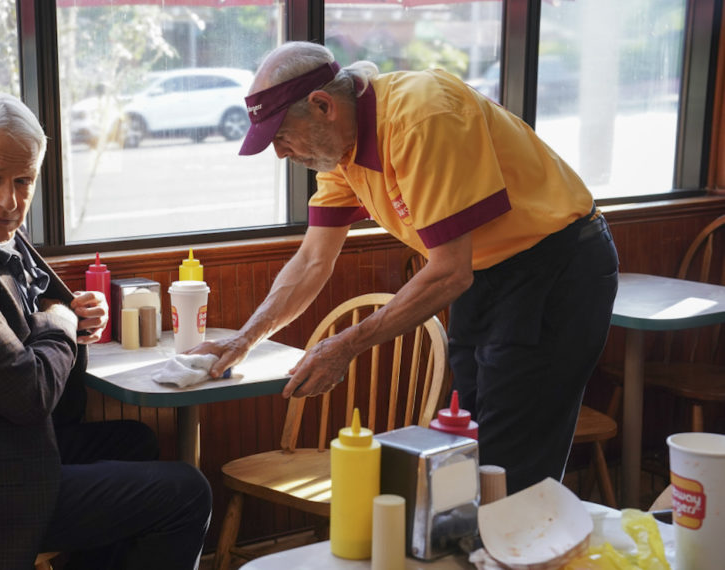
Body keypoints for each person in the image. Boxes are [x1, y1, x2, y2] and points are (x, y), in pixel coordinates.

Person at [193, 41, 619, 494]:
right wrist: (244, 339)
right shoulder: (342, 151)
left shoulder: (422, 116)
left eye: (282, 135)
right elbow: (313, 259)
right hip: (485, 274)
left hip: (554, 267)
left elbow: (451, 271)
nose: (280, 153)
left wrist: (346, 345)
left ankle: (523, 556)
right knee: (469, 446)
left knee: (510, 464)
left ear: (322, 106)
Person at [0, 92, 211, 569]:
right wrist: (63, 320)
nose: (8, 201)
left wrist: (70, 316)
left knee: (136, 442)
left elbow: (41, 313)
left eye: (22, 181)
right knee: (187, 493)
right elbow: (29, 391)